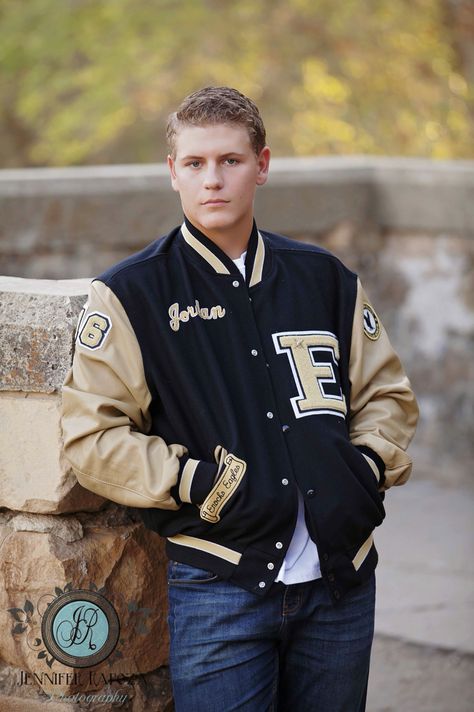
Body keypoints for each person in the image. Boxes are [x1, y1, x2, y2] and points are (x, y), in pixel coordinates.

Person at [61, 86, 419, 711]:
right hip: (219, 586)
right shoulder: (132, 294)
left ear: (263, 164)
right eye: (195, 164)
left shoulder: (323, 277)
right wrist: (197, 482)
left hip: (341, 582)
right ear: (173, 173)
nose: (213, 180)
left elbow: (386, 394)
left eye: (230, 160)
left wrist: (362, 469)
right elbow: (93, 437)